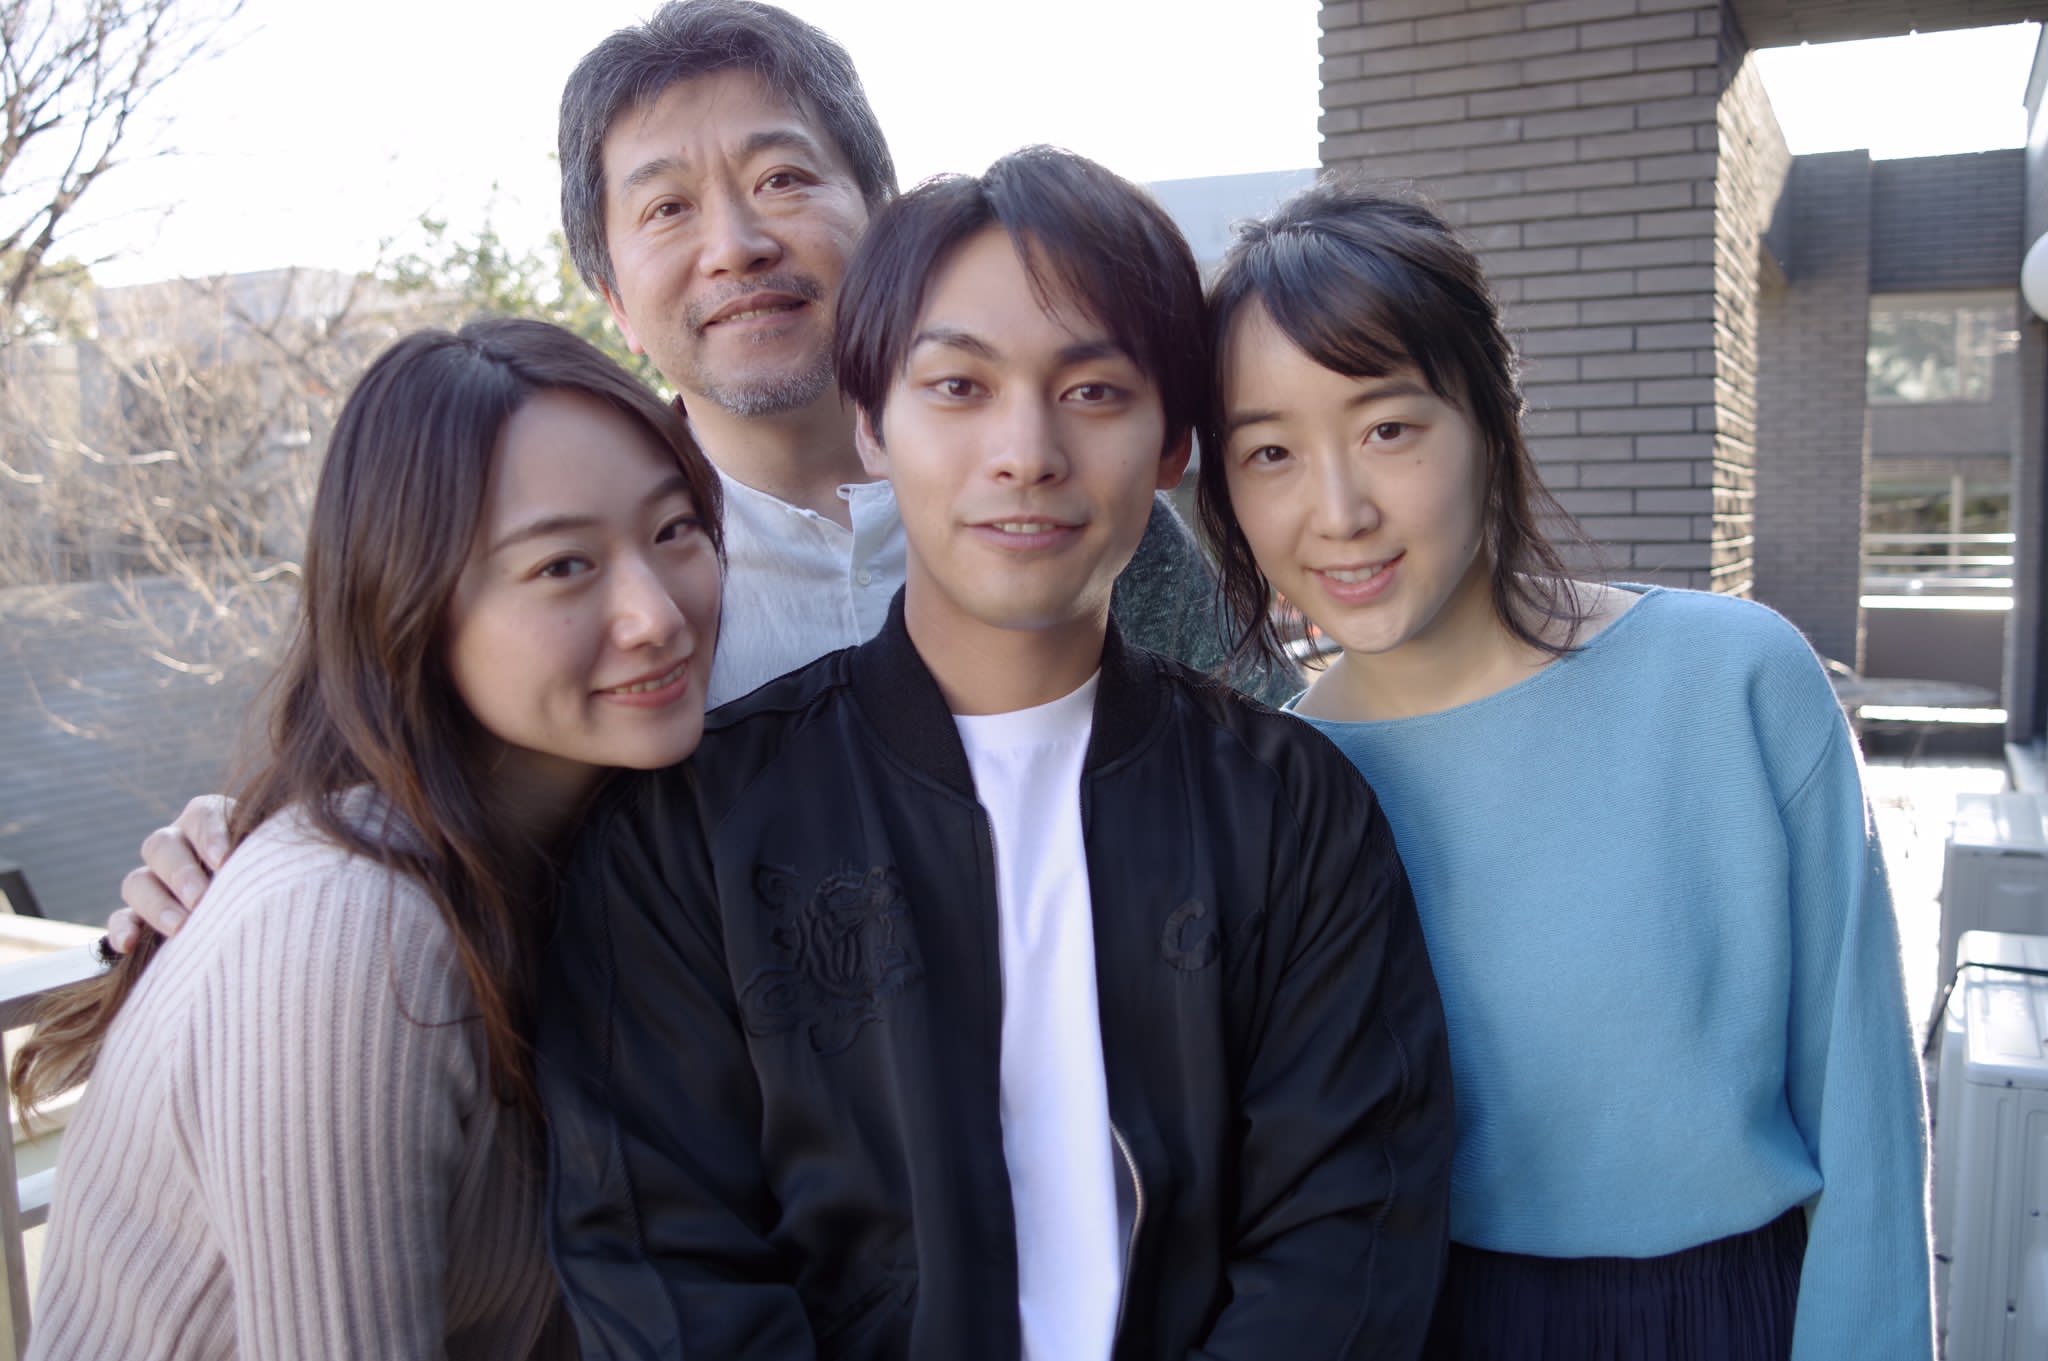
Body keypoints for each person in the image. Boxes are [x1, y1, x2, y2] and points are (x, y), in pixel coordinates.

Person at [109, 0, 1290, 949]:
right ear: (613, 298)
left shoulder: (1068, 516)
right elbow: (419, 795)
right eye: (667, 206)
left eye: (782, 179)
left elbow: (1283, 765)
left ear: (883, 224)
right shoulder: (592, 580)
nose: (736, 245)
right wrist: (245, 849)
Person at [539, 147, 1454, 1360]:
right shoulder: (687, 835)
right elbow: (660, 1259)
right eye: (958, 386)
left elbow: (1345, 1239)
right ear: (870, 423)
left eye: (1094, 390)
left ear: (1172, 446)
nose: (1025, 450)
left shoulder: (1290, 809)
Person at [1196, 180, 1934, 1359]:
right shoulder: (1270, 784)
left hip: (1717, 1317)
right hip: (1404, 1323)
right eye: (1270, 451)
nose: (1336, 510)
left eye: (1387, 427)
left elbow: (1865, 1116)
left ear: (1491, 416)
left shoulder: (1730, 682)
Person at [13, 318, 724, 1359]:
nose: (655, 614)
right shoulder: (349, 931)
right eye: (563, 564)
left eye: (673, 529)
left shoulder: (602, 848)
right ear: (410, 604)